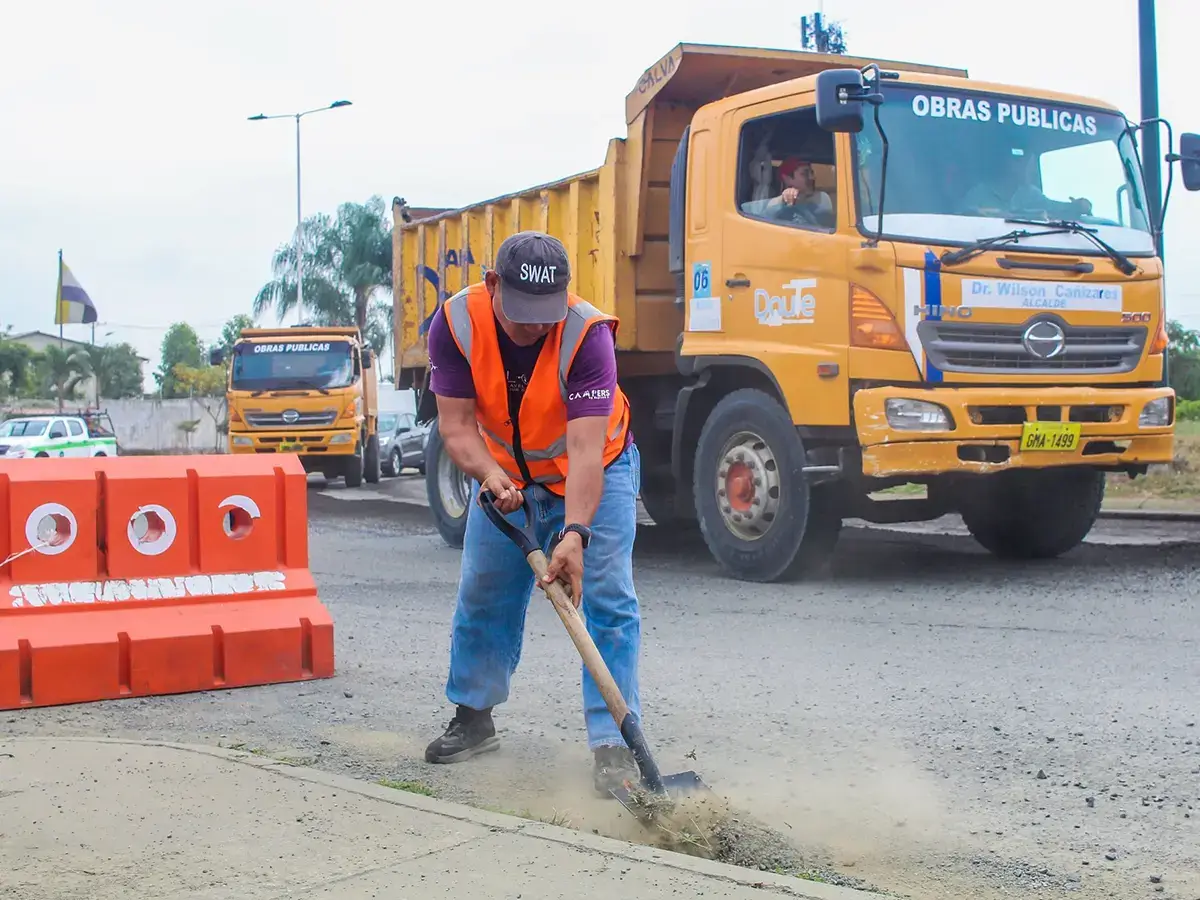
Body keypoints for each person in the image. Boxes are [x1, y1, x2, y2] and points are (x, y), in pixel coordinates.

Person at [422, 230, 644, 797]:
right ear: (493, 284)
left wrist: (575, 532)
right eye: (523, 316)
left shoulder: (587, 335)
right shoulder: (455, 324)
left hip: (598, 471)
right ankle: (473, 718)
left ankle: (613, 742)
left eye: (545, 315)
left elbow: (588, 450)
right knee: (484, 591)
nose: (536, 328)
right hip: (506, 478)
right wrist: (489, 475)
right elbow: (455, 425)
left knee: (608, 597)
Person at [741, 156, 835, 225]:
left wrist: (800, 200)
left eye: (812, 172)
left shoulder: (821, 199)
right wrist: (781, 200)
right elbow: (747, 211)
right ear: (787, 178)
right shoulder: (774, 204)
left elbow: (826, 217)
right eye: (805, 173)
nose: (812, 177)